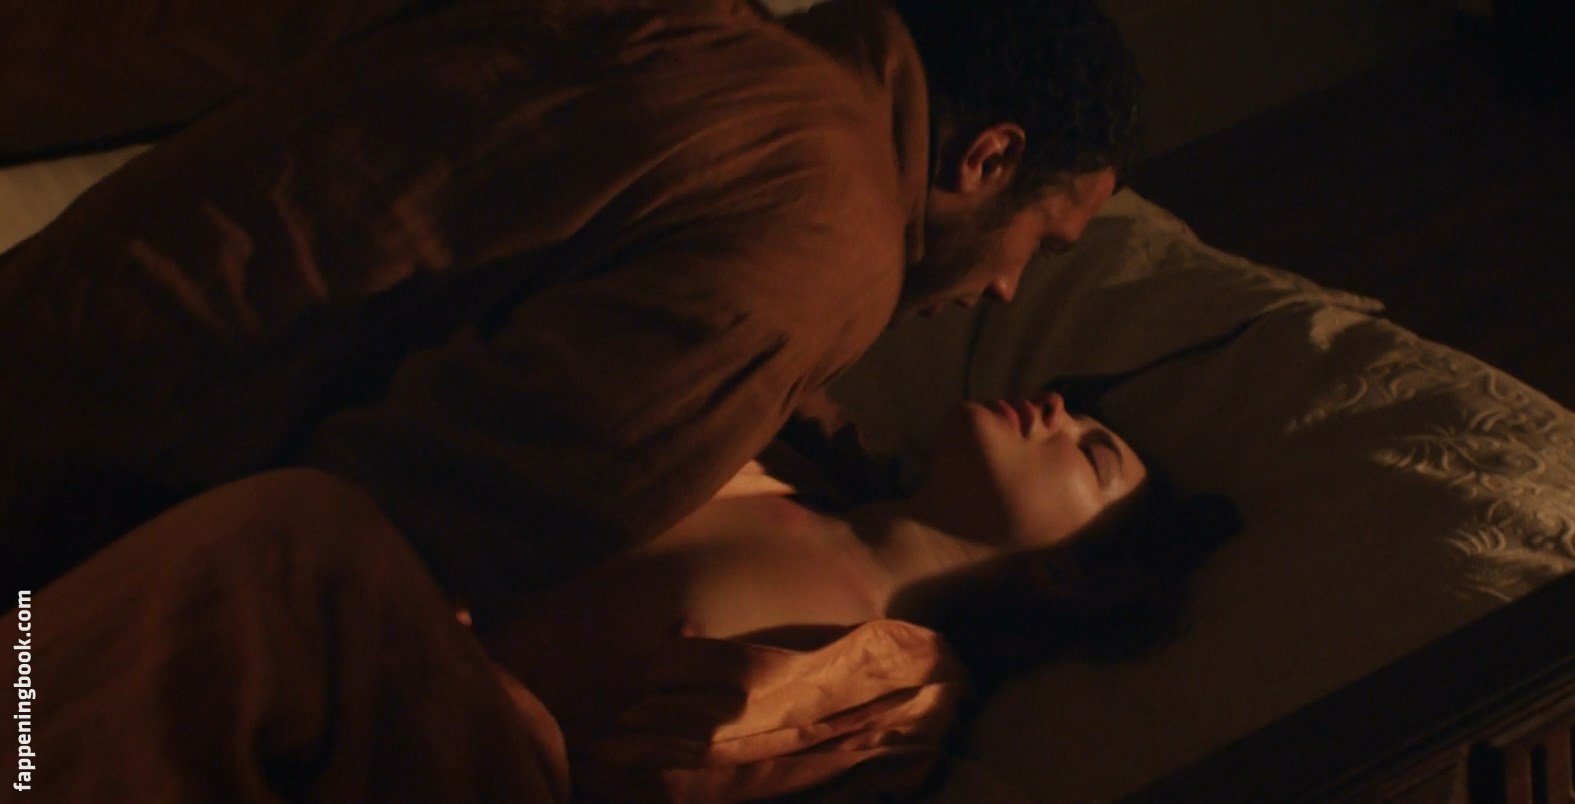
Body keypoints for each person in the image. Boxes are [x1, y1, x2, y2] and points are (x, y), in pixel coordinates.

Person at [0, 0, 1145, 617]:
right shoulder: (827, 242)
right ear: (988, 159)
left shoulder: (706, 37)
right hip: (68, 527)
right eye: (1040, 244)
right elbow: (411, 532)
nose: (1005, 288)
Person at [14, 394, 1237, 800]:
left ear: (1067, 572)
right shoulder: (762, 457)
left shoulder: (903, 683)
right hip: (394, 656)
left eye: (1091, 451)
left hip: (499, 767)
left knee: (294, 539)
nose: (1056, 410)